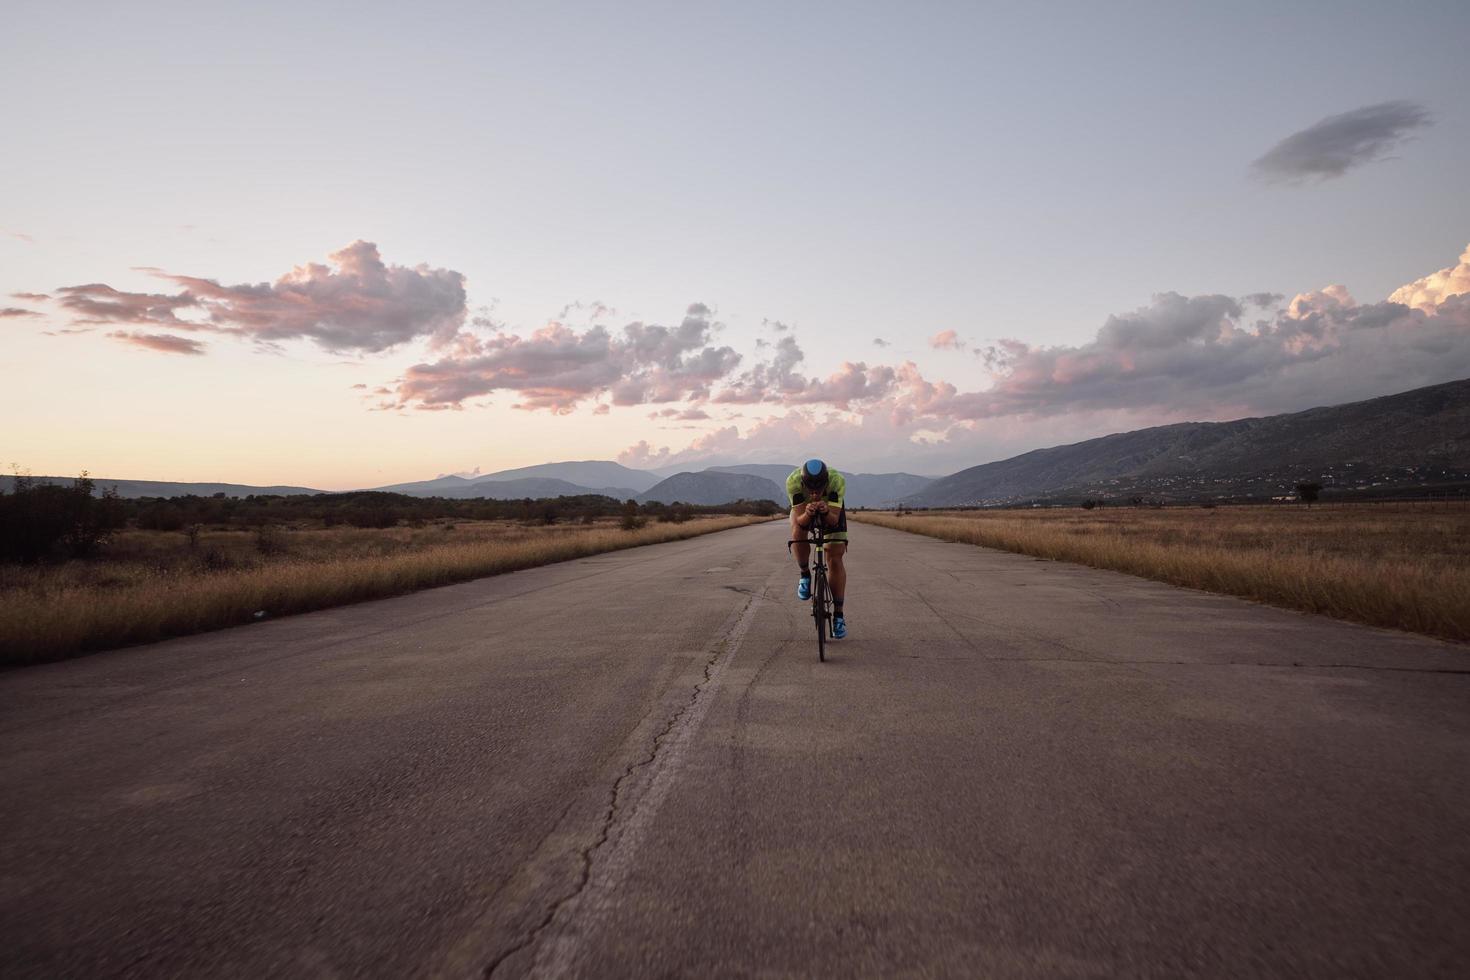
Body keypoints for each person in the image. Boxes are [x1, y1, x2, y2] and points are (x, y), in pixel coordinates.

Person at [787, 458, 848, 639]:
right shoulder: (793, 481)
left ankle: (838, 616)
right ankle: (805, 574)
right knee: (797, 532)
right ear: (803, 483)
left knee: (835, 556)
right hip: (803, 512)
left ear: (826, 481)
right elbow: (800, 520)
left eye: (820, 489)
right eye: (811, 490)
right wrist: (808, 512)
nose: (815, 493)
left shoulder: (837, 480)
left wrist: (826, 510)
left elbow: (834, 520)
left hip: (831, 510)